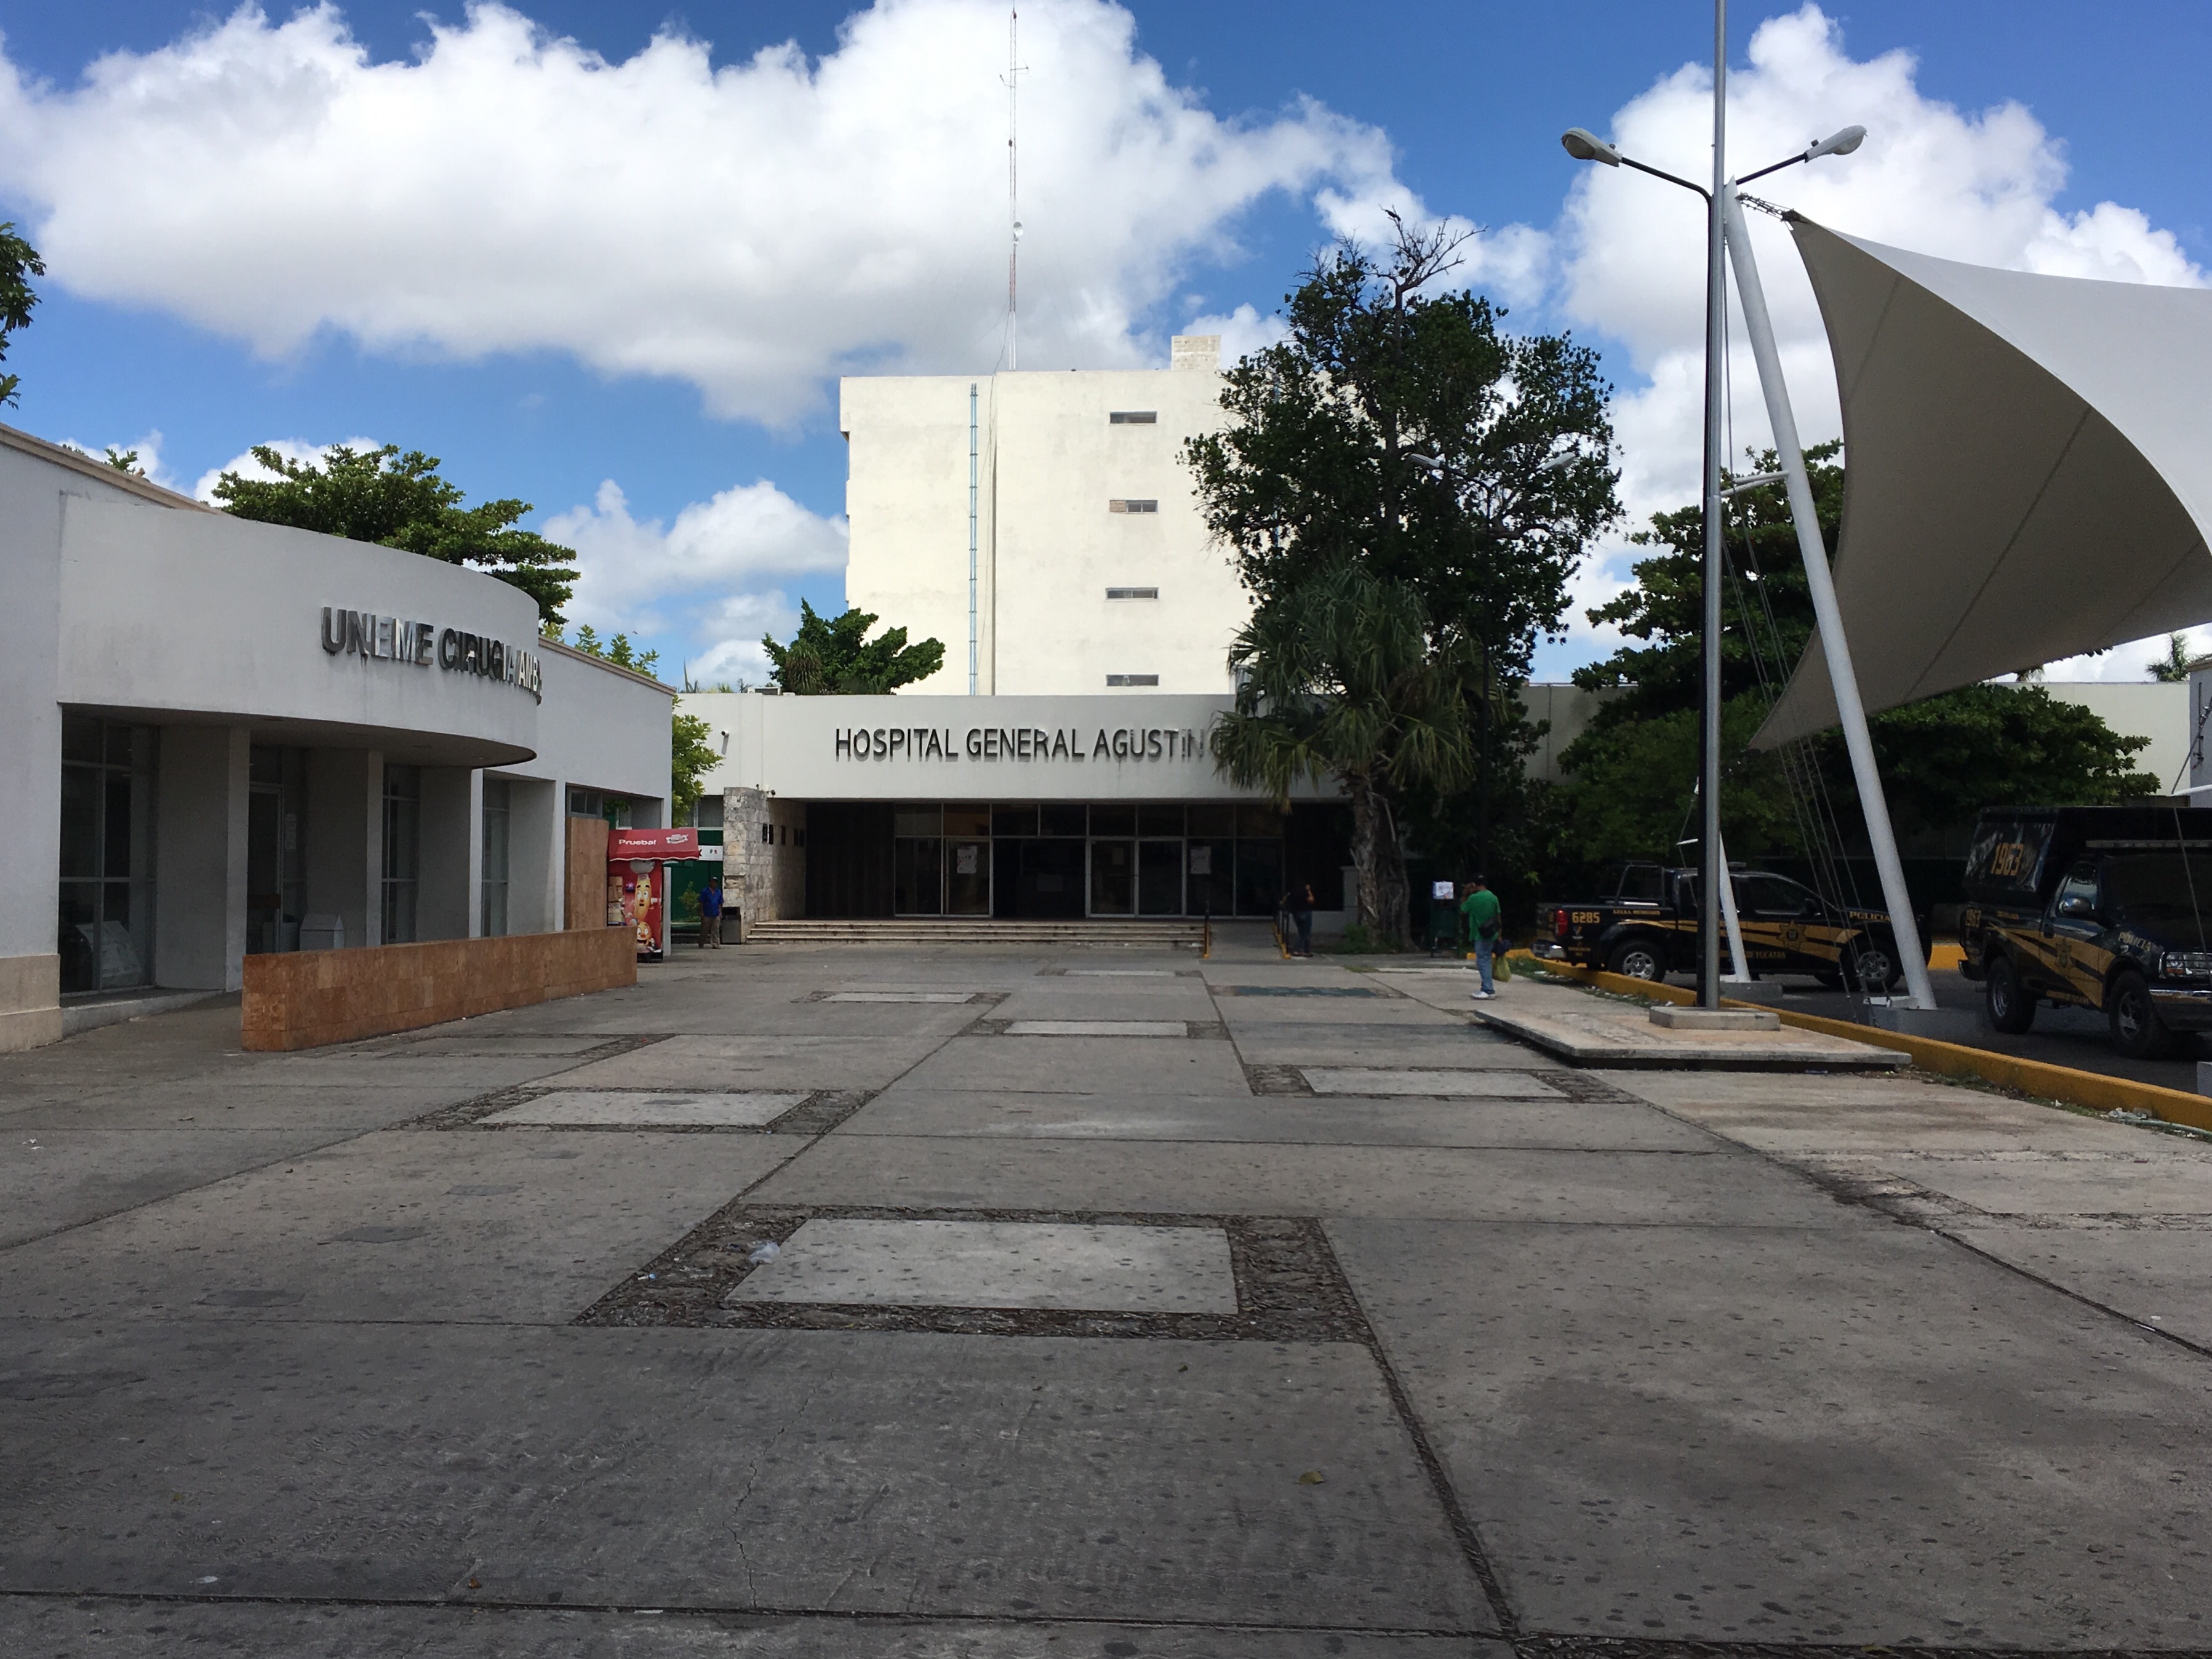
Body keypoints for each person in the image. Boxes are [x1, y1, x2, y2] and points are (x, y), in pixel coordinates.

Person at [1460, 874, 1501, 999]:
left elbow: (1463, 910)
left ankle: (1488, 989)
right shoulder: (1493, 897)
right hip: (1492, 933)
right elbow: (1499, 917)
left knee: (1483, 961)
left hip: (1479, 934)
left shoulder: (1473, 899)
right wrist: (1499, 935)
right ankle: (1485, 987)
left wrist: (1466, 894)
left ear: (1473, 885)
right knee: (1486, 960)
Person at [1288, 882, 1316, 957]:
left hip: (1296, 913)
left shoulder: (1293, 892)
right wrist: (1309, 891)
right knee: (1306, 933)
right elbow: (1311, 900)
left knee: (1301, 932)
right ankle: (1298, 949)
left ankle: (1306, 950)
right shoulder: (1305, 892)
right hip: (1306, 912)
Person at [698, 876, 724, 949]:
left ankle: (715, 944)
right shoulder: (705, 891)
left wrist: (720, 913)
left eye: (715, 882)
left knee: (716, 929)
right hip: (707, 913)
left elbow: (720, 903)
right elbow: (701, 902)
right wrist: (702, 912)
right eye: (712, 882)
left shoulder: (718, 892)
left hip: (716, 913)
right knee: (704, 929)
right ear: (710, 883)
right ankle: (701, 942)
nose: (714, 884)